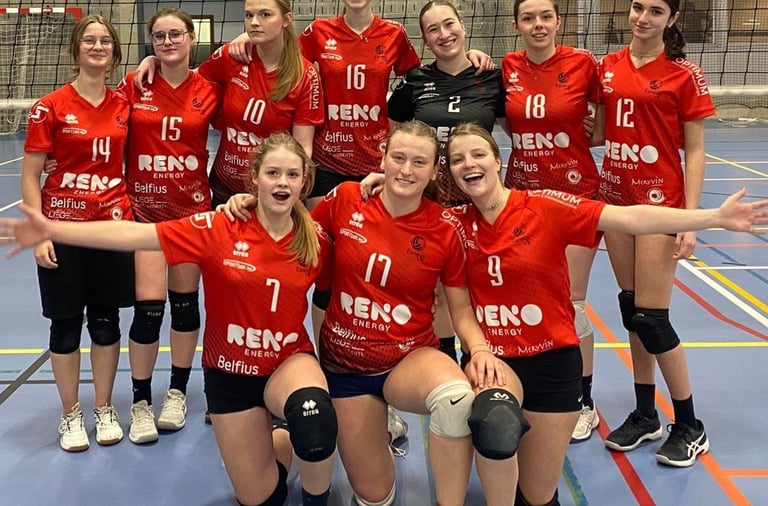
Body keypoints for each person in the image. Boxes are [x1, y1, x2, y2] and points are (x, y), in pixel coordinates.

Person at [4, 133, 339, 506]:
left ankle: (316, 497)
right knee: (262, 499)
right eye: (272, 173)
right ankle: (279, 439)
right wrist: (52, 228)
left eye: (292, 175)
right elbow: (135, 234)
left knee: (314, 418)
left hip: (287, 362)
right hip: (230, 371)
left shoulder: (316, 240)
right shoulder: (219, 228)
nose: (282, 183)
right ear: (254, 178)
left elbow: (365, 229)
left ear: (305, 181)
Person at [441, 123, 766, 505]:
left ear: (498, 160)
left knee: (537, 496)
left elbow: (629, 219)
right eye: (458, 159)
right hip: (495, 362)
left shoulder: (543, 207)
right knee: (494, 429)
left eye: (478, 154)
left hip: (553, 363)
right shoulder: (454, 224)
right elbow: (404, 217)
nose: (469, 164)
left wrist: (711, 217)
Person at [222, 121, 524, 506]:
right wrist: (253, 204)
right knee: (375, 498)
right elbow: (290, 233)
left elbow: (461, 306)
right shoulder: (347, 198)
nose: (406, 170)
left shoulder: (445, 228)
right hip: (347, 368)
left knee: (455, 400)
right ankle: (361, 432)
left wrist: (478, 349)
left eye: (419, 162)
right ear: (382, 159)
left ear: (434, 171)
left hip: (409, 358)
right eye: (398, 158)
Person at [592, 0, 717, 467]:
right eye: (637, 7)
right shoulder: (608, 66)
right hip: (616, 201)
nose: (643, 18)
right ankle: (646, 413)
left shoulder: (685, 74)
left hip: (660, 205)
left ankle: (690, 425)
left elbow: (696, 150)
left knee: (652, 318)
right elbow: (599, 132)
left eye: (656, 11)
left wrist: (689, 218)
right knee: (632, 311)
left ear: (672, 18)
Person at [20, 14, 131, 452]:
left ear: (115, 52)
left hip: (111, 228)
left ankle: (104, 407)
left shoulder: (125, 104)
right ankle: (70, 413)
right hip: (62, 228)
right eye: (90, 40)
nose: (98, 46)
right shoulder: (49, 107)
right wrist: (39, 233)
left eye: (105, 41)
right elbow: (30, 176)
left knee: (105, 323)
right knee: (65, 326)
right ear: (76, 50)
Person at [115, 7, 221, 444]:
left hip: (192, 214)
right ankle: (141, 401)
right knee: (148, 311)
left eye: (175, 34)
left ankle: (177, 392)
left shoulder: (209, 88)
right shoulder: (135, 84)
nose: (168, 42)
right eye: (159, 36)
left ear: (192, 38)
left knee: (185, 306)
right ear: (151, 42)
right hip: (145, 215)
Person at [502, 0, 603, 442]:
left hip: (575, 198)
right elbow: (509, 122)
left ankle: (584, 401)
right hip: (522, 198)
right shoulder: (507, 66)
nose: (538, 25)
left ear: (558, 21)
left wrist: (581, 137)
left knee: (571, 303)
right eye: (528, 18)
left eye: (545, 17)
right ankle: (532, 387)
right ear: (516, 25)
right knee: (524, 298)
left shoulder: (583, 64)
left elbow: (605, 123)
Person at [386, 0, 506, 364]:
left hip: (476, 200)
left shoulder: (492, 79)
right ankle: (446, 362)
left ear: (463, 26)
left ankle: (477, 359)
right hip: (430, 202)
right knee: (437, 287)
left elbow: (521, 132)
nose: (444, 34)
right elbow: (394, 139)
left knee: (477, 284)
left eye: (449, 24)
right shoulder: (414, 82)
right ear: (425, 39)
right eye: (433, 29)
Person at [137, 0, 324, 208]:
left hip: (272, 193)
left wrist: (281, 191)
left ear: (286, 20)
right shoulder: (233, 56)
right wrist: (157, 61)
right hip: (224, 189)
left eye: (265, 15)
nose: (254, 22)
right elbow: (187, 79)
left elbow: (302, 149)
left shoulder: (305, 76)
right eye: (249, 15)